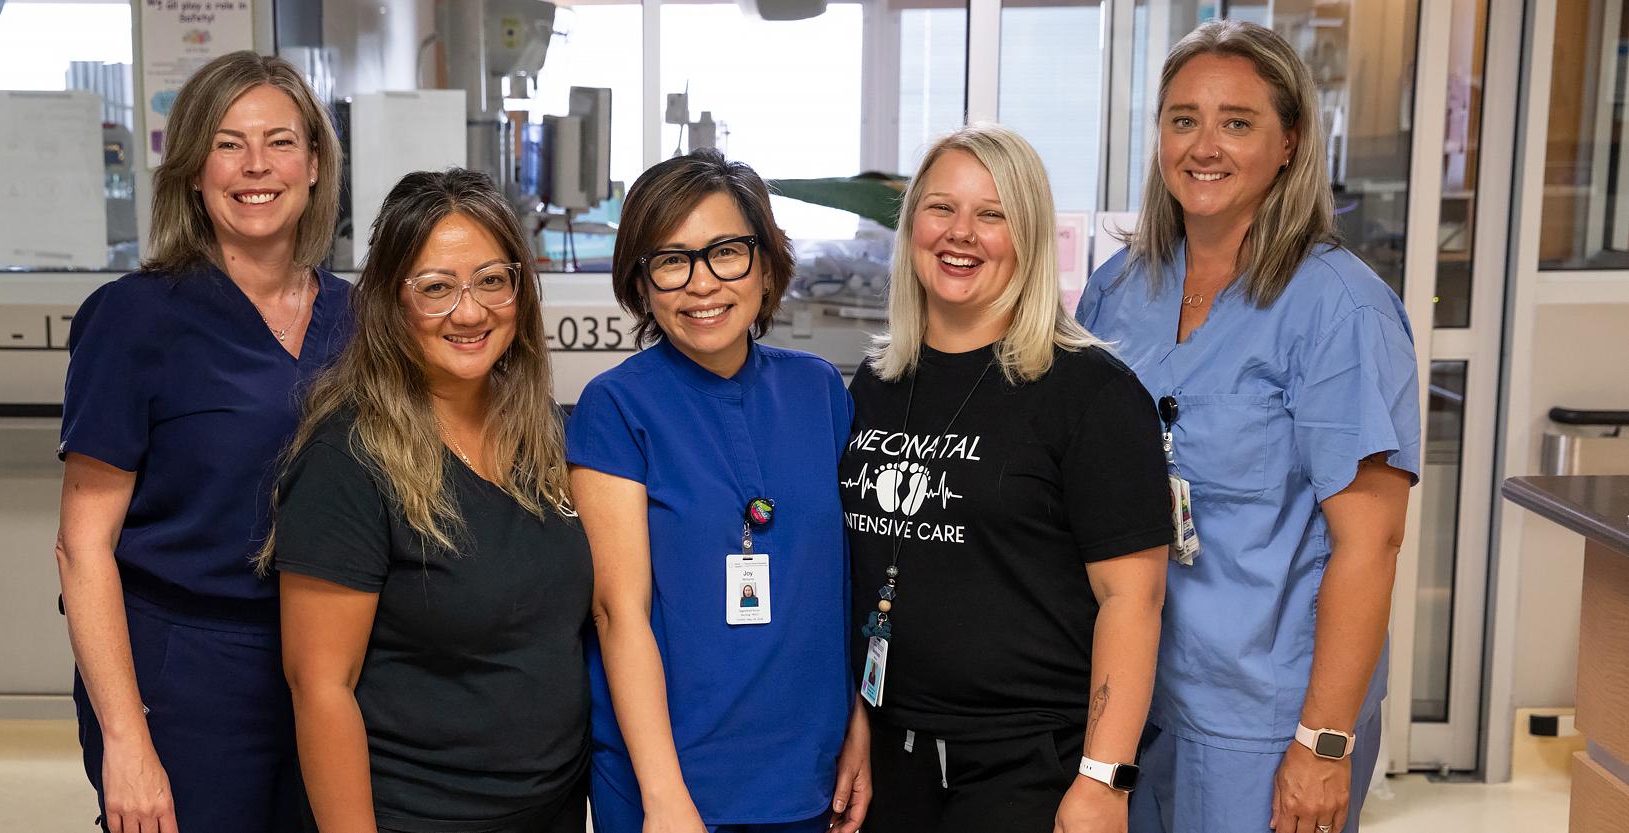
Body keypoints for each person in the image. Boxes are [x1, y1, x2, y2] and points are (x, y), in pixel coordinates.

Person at [1076, 20, 1420, 833]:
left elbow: (1369, 543)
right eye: (1182, 118)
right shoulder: (1116, 291)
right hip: (1129, 693)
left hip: (1261, 716)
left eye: (1237, 122)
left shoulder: (1338, 308)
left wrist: (1322, 744)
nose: (1204, 145)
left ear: (1290, 142)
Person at [842, 122, 1171, 833]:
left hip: (1029, 768)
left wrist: (1102, 779)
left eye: (990, 215)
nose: (960, 233)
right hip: (893, 759)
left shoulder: (1090, 394)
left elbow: (1131, 600)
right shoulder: (873, 383)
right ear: (910, 227)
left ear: (1027, 237)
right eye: (940, 208)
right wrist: (858, 723)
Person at [54, 50, 348, 833]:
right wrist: (126, 740)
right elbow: (83, 548)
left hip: (337, 663)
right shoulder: (132, 319)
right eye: (227, 142)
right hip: (184, 674)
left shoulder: (362, 320)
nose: (256, 165)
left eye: (281, 141)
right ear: (191, 168)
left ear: (315, 163)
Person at [265, 169, 591, 833]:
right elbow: (320, 688)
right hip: (417, 815)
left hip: (551, 807)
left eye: (491, 281)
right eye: (436, 288)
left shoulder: (544, 434)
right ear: (390, 301)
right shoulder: (347, 459)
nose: (469, 312)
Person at [567, 148, 870, 833]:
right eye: (670, 260)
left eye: (725, 252)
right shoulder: (615, 407)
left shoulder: (819, 390)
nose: (700, 283)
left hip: (810, 772)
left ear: (765, 264)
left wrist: (858, 723)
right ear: (641, 283)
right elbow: (619, 614)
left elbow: (840, 590)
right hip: (672, 783)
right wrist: (664, 796)